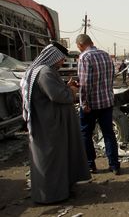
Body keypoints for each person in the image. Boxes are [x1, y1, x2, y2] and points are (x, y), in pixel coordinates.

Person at [20, 41, 91, 204]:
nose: (62, 62)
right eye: (61, 59)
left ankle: (61, 189)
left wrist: (66, 87)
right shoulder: (45, 72)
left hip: (50, 124)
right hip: (50, 127)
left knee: (57, 159)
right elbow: (59, 96)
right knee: (51, 161)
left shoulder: (45, 71)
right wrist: (72, 90)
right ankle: (53, 195)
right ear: (53, 57)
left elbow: (52, 92)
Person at [76, 34, 121, 175]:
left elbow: (84, 84)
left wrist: (84, 103)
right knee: (108, 133)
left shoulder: (84, 57)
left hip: (91, 104)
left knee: (85, 133)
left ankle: (90, 165)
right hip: (106, 102)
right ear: (92, 42)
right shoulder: (106, 55)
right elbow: (110, 76)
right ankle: (114, 165)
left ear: (79, 45)